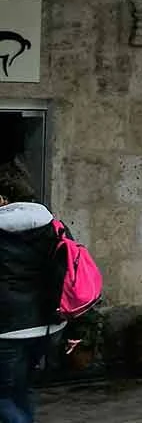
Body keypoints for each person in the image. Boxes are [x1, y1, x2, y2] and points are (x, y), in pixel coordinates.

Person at [0, 163, 63, 423]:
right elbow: (66, 272)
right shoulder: (54, 226)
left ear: (3, 196)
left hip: (7, 329)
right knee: (21, 389)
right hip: (47, 326)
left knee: (3, 397)